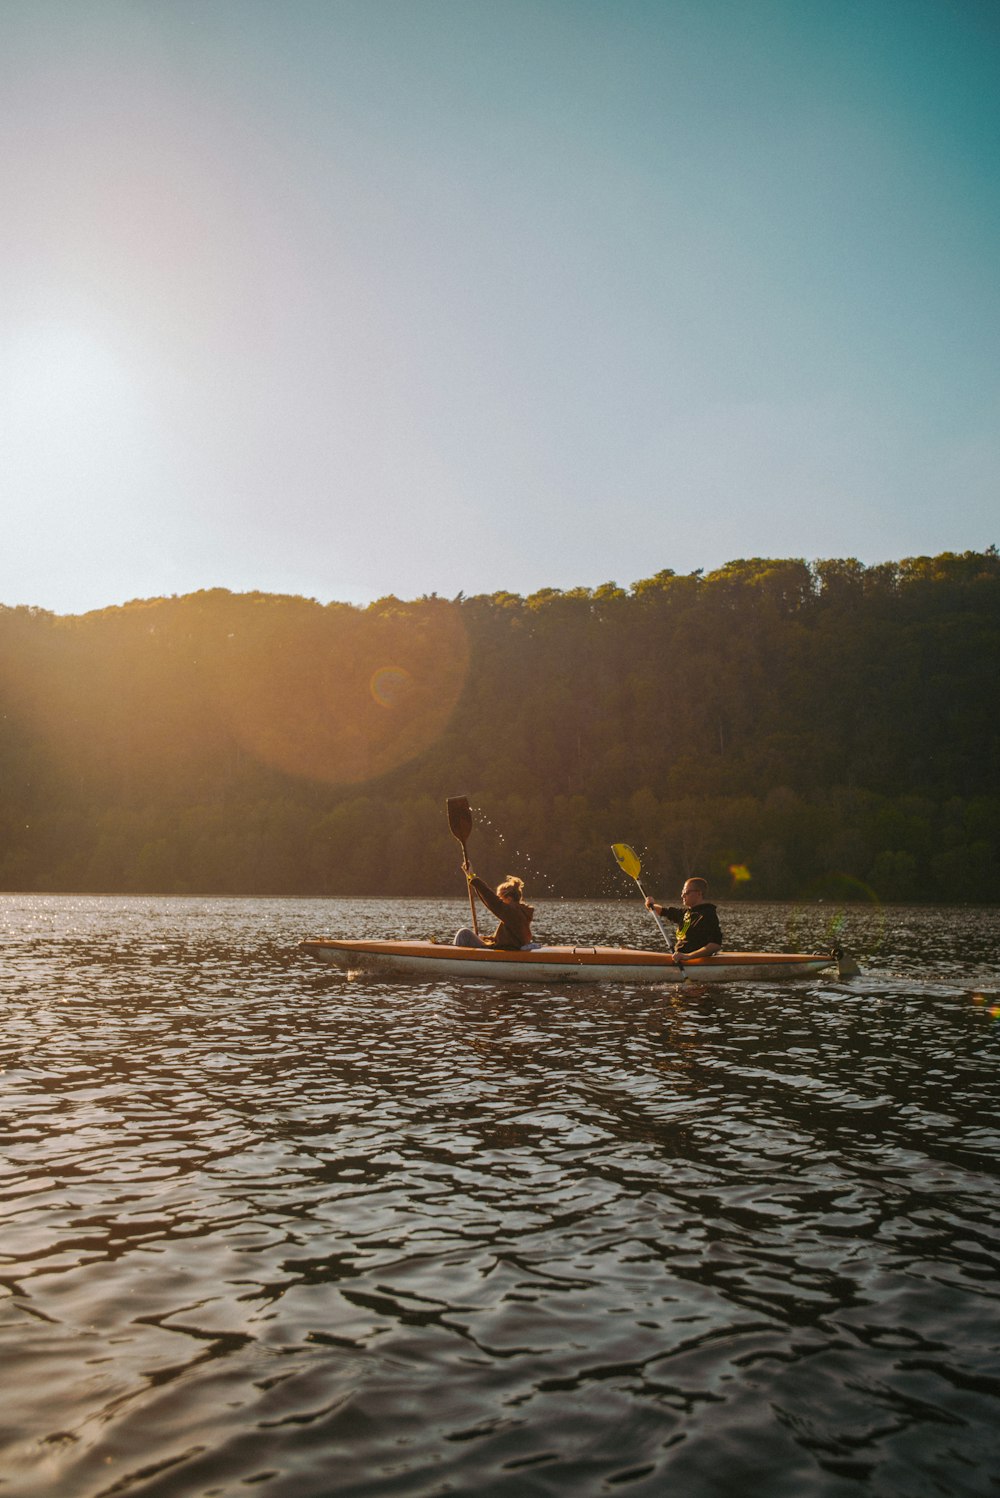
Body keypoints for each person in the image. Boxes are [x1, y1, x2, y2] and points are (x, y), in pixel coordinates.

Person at [455, 865, 537, 949]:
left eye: (500, 898)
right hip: (506, 947)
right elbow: (507, 938)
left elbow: (491, 900)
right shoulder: (519, 912)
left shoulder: (512, 912)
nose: (500, 901)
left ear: (509, 899)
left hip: (505, 950)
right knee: (473, 936)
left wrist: (472, 877)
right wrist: (484, 938)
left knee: (464, 934)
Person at [646, 877, 722, 966]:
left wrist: (688, 956)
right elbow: (661, 911)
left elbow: (715, 945)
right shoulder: (685, 913)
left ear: (699, 893)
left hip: (692, 961)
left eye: (686, 892)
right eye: (682, 892)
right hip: (679, 958)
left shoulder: (708, 915)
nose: (682, 895)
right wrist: (650, 904)